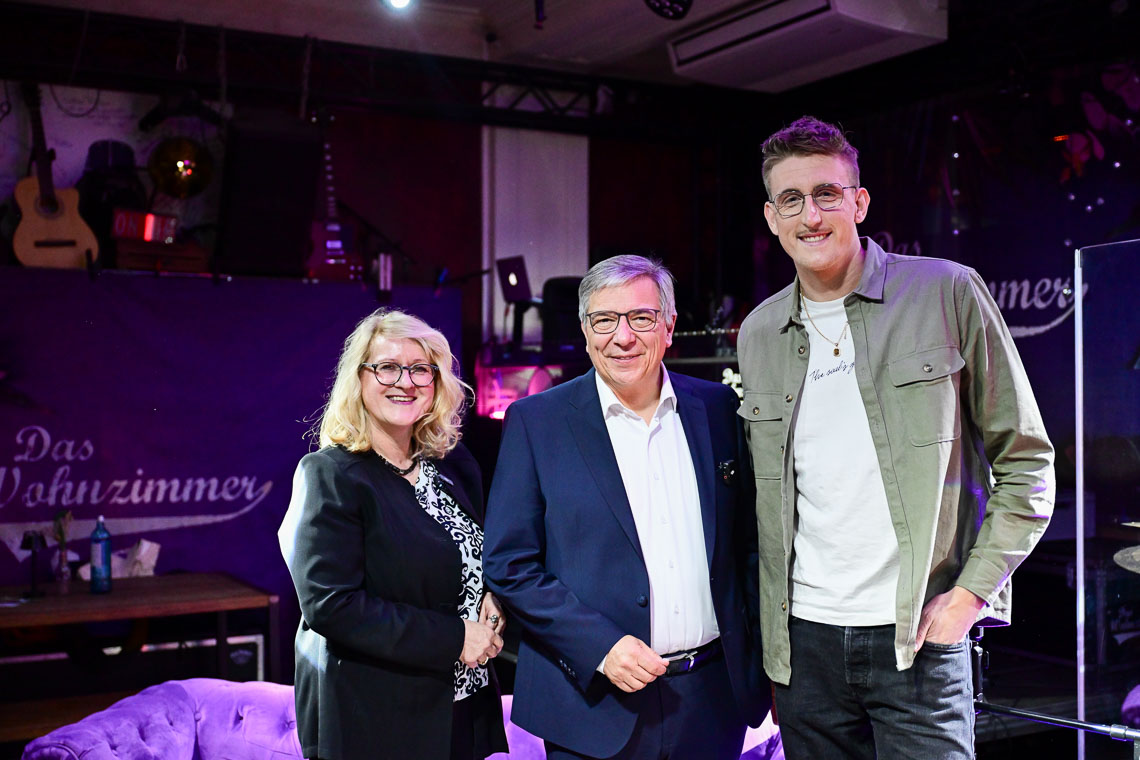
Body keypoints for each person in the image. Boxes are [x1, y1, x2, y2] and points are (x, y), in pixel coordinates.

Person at [736, 115, 1055, 759]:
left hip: (918, 638)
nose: (811, 215)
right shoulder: (759, 331)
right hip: (804, 648)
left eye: (827, 193)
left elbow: (1027, 463)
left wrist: (970, 596)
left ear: (859, 202)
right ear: (772, 218)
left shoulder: (946, 291)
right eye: (791, 200)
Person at [484, 255, 769, 760]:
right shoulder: (537, 422)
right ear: (585, 328)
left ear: (669, 324)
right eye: (605, 320)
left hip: (710, 702)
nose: (623, 336)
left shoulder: (719, 409)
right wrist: (600, 647)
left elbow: (748, 548)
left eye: (640, 317)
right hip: (590, 704)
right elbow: (510, 565)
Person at [278, 308, 509, 760]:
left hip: (463, 705)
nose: (405, 381)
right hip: (378, 720)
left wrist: (494, 596)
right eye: (387, 367)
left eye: (420, 369)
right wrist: (455, 638)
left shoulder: (454, 466)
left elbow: (472, 559)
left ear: (437, 384)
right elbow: (332, 606)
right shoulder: (330, 475)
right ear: (359, 379)